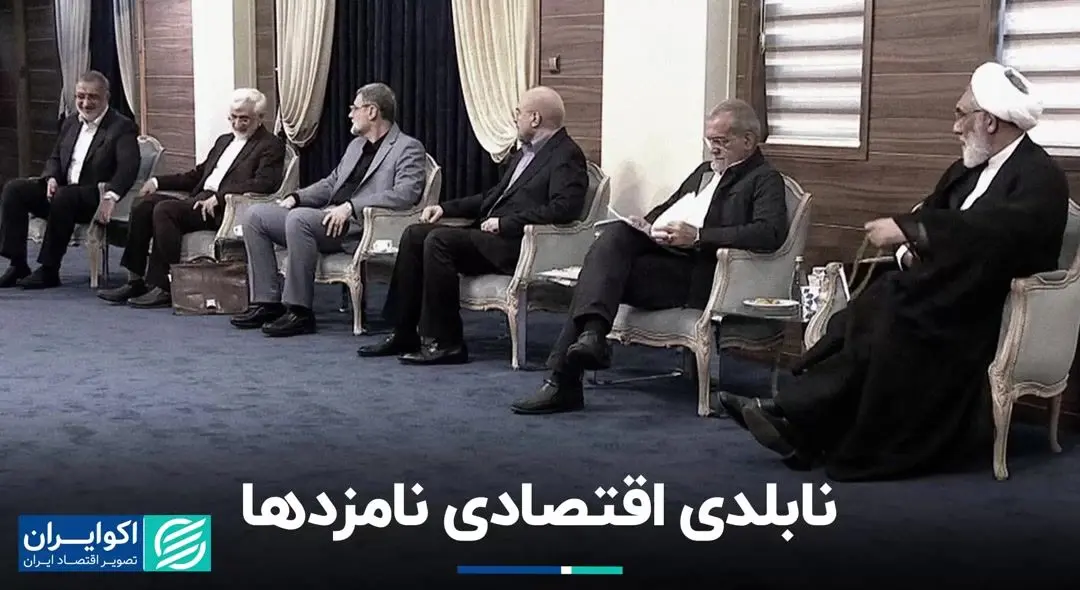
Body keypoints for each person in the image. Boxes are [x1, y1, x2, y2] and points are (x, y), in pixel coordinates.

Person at [716, 62, 1071, 482]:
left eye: (961, 114)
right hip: (943, 292)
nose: (955, 127)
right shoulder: (967, 169)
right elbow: (932, 218)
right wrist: (907, 247)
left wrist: (910, 230)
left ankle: (822, 430)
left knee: (889, 318)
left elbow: (996, 233)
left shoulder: (1040, 176)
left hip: (989, 308)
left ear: (989, 121)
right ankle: (800, 422)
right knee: (865, 312)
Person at [510, 99, 789, 415]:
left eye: (721, 142)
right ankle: (589, 340)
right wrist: (647, 224)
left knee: (597, 277)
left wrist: (700, 236)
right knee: (616, 236)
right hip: (669, 263)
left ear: (748, 140)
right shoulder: (703, 172)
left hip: (705, 276)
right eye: (710, 140)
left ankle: (566, 377)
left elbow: (768, 233)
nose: (713, 148)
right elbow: (670, 207)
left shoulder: (764, 179)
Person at [357, 86, 588, 365]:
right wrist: (445, 208)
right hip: (491, 239)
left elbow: (564, 209)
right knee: (415, 234)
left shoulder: (566, 154)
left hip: (520, 244)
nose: (515, 118)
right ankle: (404, 331)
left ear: (535, 118)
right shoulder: (524, 154)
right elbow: (490, 198)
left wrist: (506, 223)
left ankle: (447, 343)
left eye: (518, 113)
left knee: (439, 241)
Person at [229, 83, 426, 337]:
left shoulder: (407, 147)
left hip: (361, 227)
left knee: (299, 219)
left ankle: (299, 311)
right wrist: (296, 197)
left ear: (372, 111)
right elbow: (331, 183)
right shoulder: (356, 146)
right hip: (328, 219)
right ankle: (266, 303)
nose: (350, 114)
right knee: (255, 215)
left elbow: (405, 194)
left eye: (354, 108)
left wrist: (351, 207)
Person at [98, 88, 286, 307]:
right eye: (233, 117)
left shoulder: (270, 145)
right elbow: (197, 175)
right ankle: (135, 280)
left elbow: (264, 183)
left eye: (244, 119)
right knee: (143, 204)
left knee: (165, 210)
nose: (237, 124)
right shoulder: (224, 141)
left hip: (225, 209)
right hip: (200, 199)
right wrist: (157, 182)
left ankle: (166, 286)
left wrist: (220, 197)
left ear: (260, 117)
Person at [0, 70, 139, 289]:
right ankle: (17, 264)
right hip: (62, 193)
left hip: (93, 197)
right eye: (81, 96)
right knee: (14, 189)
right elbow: (56, 157)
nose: (85, 103)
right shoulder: (71, 122)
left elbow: (128, 168)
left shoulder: (121, 127)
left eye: (92, 97)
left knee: (65, 196)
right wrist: (51, 178)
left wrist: (111, 196)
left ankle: (49, 269)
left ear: (106, 97)